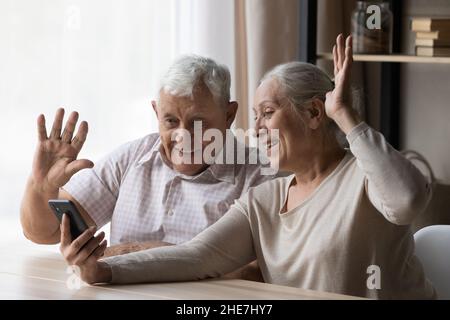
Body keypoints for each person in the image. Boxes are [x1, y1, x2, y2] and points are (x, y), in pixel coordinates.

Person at [58, 35, 436, 299]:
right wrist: (104, 271)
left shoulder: (364, 177)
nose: (256, 129)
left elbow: (406, 201)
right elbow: (196, 256)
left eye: (267, 114)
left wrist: (348, 119)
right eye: (254, 116)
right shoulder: (265, 199)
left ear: (314, 113)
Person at [20, 55, 279, 280]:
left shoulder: (261, 176)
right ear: (156, 113)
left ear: (229, 115)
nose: (182, 135)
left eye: (197, 122)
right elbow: (45, 233)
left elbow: (260, 272)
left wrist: (138, 254)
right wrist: (41, 187)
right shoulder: (132, 158)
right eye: (170, 120)